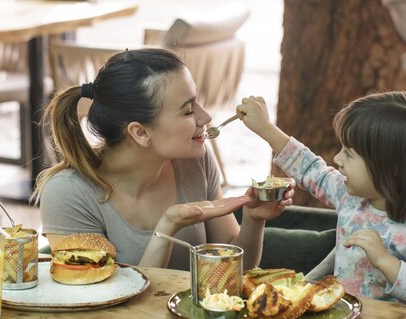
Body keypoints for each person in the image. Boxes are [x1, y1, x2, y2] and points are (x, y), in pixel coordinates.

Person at [32, 48, 293, 271]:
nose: (206, 117)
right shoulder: (68, 193)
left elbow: (231, 272)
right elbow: (104, 302)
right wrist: (168, 226)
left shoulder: (194, 162)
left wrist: (253, 221)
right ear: (141, 132)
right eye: (189, 110)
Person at [237, 91, 406, 312]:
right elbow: (312, 169)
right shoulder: (351, 197)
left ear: (392, 169)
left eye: (349, 153)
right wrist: (266, 129)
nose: (337, 159)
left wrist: (386, 261)